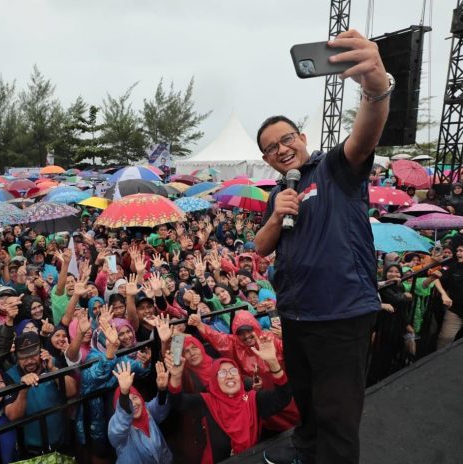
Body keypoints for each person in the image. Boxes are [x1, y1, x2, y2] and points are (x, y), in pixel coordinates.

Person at [254, 28, 392, 464]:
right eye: (272, 148)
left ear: (302, 139)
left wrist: (376, 88)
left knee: (337, 416)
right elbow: (260, 248)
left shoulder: (334, 168)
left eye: (286, 139)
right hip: (296, 314)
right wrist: (277, 215)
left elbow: (364, 135)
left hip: (341, 312)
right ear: (266, 159)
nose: (282, 149)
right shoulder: (279, 193)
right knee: (308, 404)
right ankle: (304, 454)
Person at [166, 334, 292, 463]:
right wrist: (175, 377)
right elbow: (178, 402)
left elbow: (283, 397)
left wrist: (273, 363)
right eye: (222, 373)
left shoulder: (252, 399)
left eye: (233, 371)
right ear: (214, 381)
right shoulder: (207, 402)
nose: (229, 376)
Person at [108, 361, 172, 464]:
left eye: (135, 397)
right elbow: (118, 427)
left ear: (141, 398)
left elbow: (160, 408)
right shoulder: (118, 429)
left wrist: (162, 390)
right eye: (128, 401)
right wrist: (124, 394)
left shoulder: (146, 410)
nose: (133, 404)